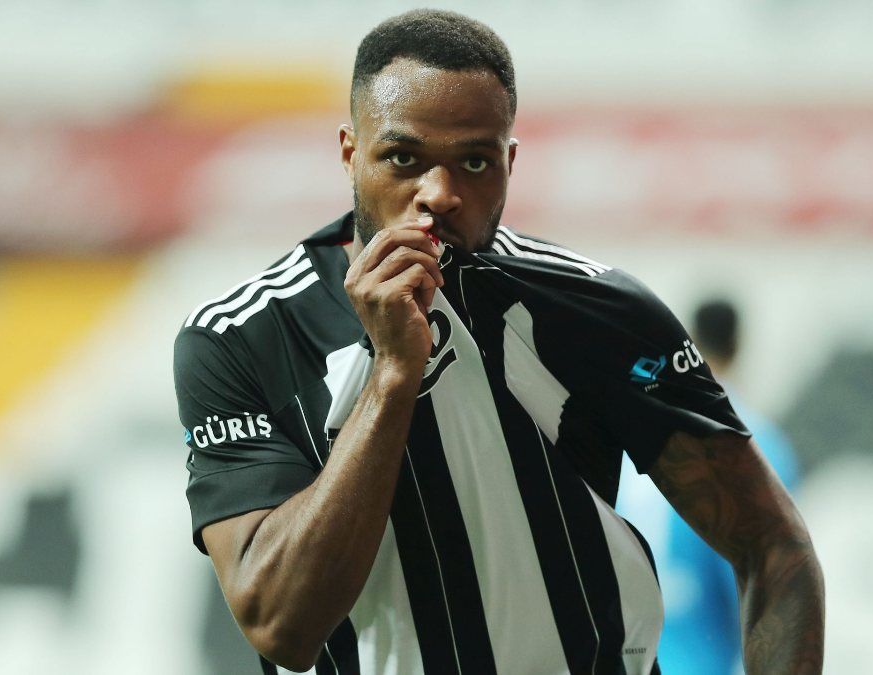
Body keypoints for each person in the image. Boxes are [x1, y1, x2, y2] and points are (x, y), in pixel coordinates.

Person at [173, 10, 824, 675]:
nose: (439, 194)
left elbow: (774, 547)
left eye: (475, 162)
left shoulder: (599, 312)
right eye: (403, 158)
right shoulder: (239, 339)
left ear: (510, 164)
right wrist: (393, 373)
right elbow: (281, 624)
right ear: (350, 153)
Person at [617, 299, 802, 675]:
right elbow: (769, 580)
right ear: (738, 346)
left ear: (691, 341)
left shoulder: (632, 434)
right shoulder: (757, 443)